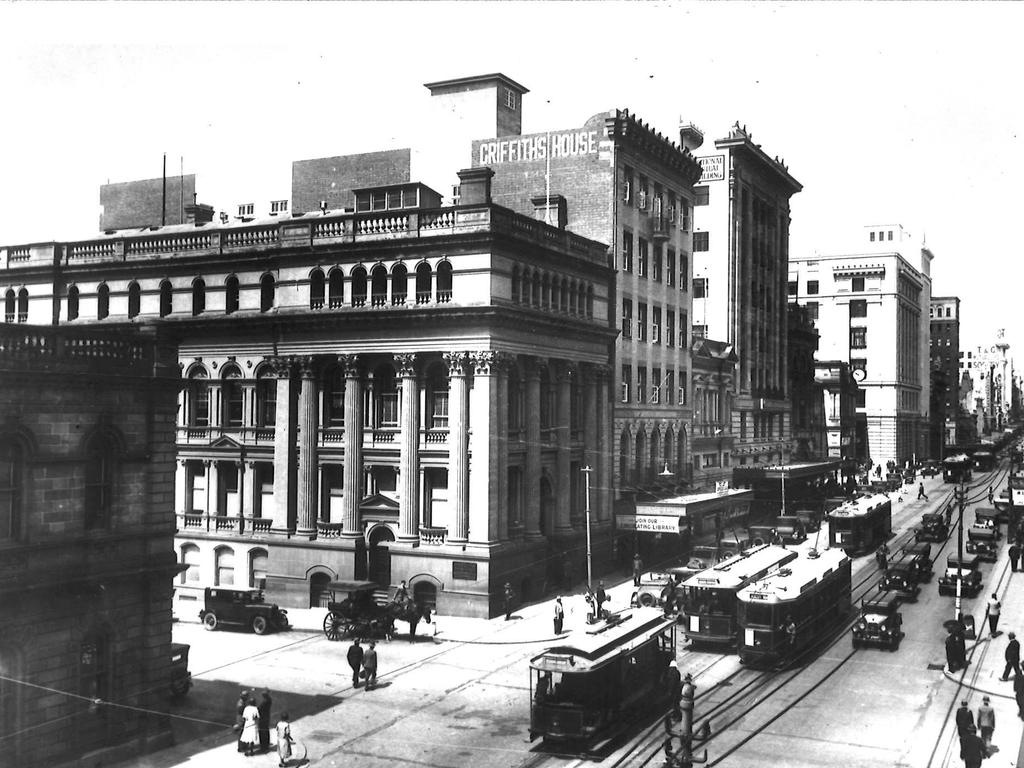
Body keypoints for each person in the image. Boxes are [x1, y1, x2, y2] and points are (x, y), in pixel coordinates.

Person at [257, 689, 273, 754]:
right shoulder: (269, 700)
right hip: (266, 718)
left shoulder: (265, 702)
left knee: (262, 732)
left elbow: (259, 709)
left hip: (262, 719)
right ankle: (266, 744)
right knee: (266, 731)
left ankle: (263, 747)